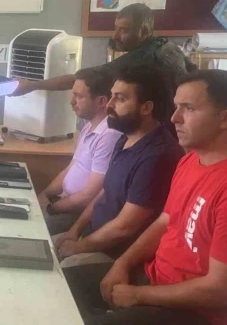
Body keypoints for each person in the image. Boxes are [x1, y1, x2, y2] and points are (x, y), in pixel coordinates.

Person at [65, 69, 227, 325]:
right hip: (153, 278)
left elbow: (222, 291)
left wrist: (138, 295)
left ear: (226, 118)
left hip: (193, 311)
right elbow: (164, 222)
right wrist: (123, 264)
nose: (174, 118)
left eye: (189, 108)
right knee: (59, 283)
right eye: (176, 107)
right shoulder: (190, 161)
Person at [54, 65, 184, 267]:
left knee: (55, 270)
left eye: (120, 99)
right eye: (112, 96)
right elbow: (104, 192)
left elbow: (125, 227)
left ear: (146, 108)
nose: (109, 105)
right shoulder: (125, 138)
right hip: (91, 238)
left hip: (115, 255)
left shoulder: (158, 156)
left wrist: (79, 247)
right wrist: (74, 231)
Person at [11, 3, 196, 97]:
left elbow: (82, 78)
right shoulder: (170, 47)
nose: (115, 35)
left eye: (123, 30)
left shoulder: (141, 58)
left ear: (144, 31)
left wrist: (31, 85)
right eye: (116, 28)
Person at [39, 67, 123, 235]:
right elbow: (69, 169)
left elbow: (89, 196)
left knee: (32, 227)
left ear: (101, 102)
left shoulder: (109, 135)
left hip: (78, 213)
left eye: (79, 96)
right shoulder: (88, 127)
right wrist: (44, 195)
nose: (72, 102)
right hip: (64, 202)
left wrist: (51, 207)